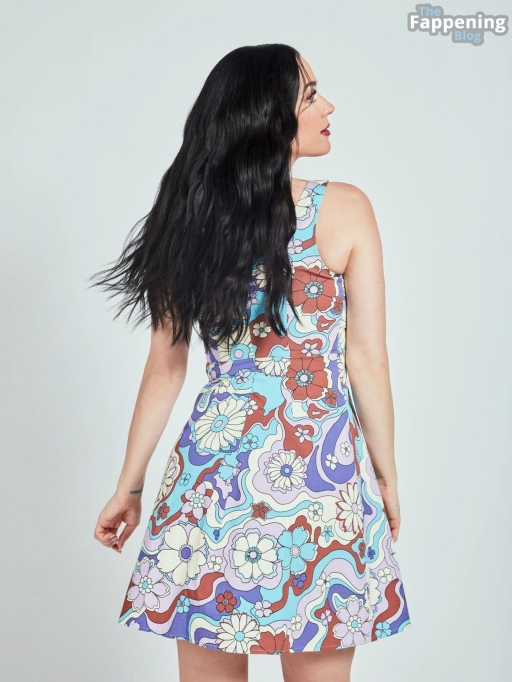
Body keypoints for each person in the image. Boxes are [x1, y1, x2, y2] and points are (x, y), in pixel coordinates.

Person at [90, 44, 412, 682]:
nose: (328, 106)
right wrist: (385, 475)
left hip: (212, 487)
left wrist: (129, 487)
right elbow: (367, 361)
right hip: (321, 487)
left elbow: (165, 369)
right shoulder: (346, 209)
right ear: (268, 115)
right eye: (310, 95)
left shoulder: (190, 220)